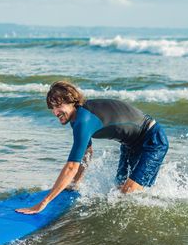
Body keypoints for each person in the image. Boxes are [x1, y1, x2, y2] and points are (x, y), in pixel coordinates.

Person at [16, 81, 169, 215]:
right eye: (52, 108)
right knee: (118, 190)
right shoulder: (76, 119)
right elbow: (87, 153)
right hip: (130, 144)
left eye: (58, 106)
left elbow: (71, 167)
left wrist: (43, 203)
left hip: (152, 140)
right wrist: (75, 184)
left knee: (127, 194)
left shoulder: (83, 120)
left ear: (71, 101)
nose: (55, 112)